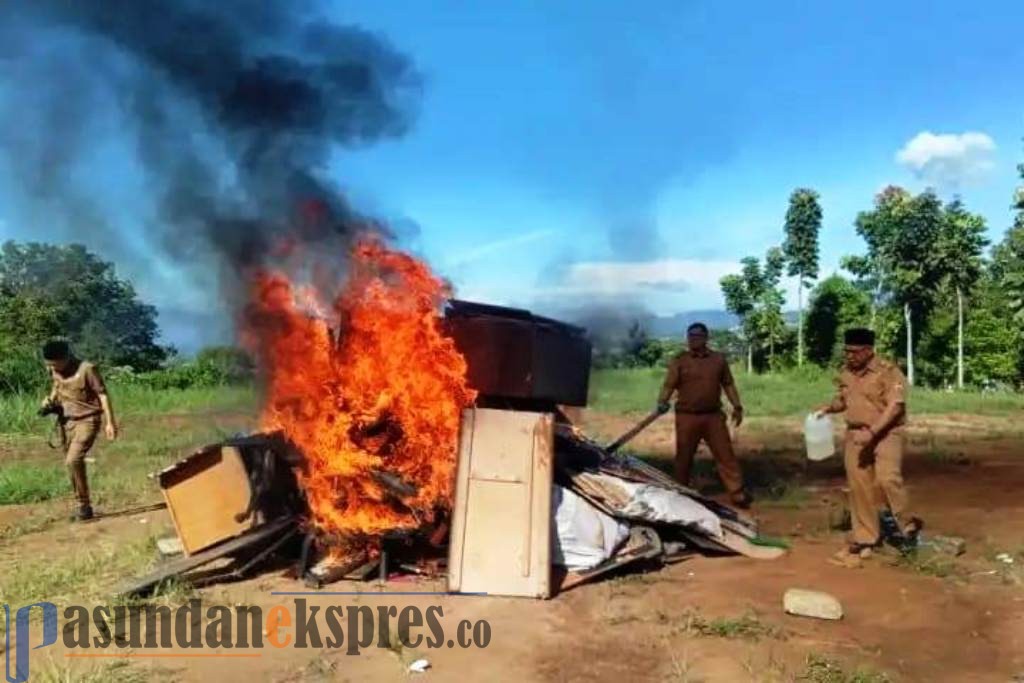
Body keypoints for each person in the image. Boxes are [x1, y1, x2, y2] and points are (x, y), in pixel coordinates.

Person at [816, 328, 922, 564]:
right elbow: (844, 400)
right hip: (856, 434)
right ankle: (866, 538)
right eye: (847, 351)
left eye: (855, 351)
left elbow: (895, 407)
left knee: (887, 479)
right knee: (859, 486)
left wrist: (873, 432)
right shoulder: (846, 373)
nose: (850, 356)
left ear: (869, 350)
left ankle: (907, 527)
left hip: (886, 433)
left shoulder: (887, 371)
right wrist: (828, 408)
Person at [657, 322, 751, 509]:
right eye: (690, 336)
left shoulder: (718, 360)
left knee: (725, 455)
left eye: (697, 336)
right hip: (687, 416)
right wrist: (662, 401)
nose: (693, 339)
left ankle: (737, 493)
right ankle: (681, 491)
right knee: (684, 456)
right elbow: (669, 385)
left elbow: (728, 384)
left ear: (706, 338)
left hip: (713, 416)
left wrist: (737, 406)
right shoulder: (680, 360)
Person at [40, 340, 118, 521]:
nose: (52, 367)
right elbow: (57, 386)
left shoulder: (87, 369)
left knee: (73, 459)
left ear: (66, 357)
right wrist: (49, 401)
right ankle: (83, 506)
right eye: (49, 364)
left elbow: (102, 394)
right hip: (67, 422)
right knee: (72, 464)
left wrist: (110, 422)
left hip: (88, 420)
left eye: (55, 363)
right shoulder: (54, 369)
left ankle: (83, 503)